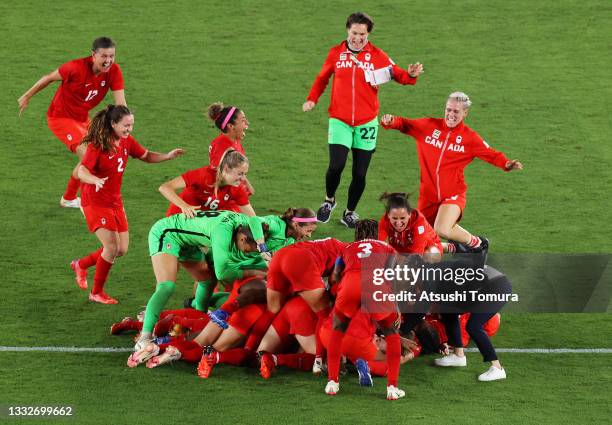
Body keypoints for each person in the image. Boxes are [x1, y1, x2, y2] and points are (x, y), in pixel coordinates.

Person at [303, 12, 424, 228]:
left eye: (362, 34)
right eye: (354, 33)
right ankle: (329, 200)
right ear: (347, 31)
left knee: (360, 173)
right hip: (339, 120)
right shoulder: (335, 53)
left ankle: (349, 212)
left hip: (367, 122)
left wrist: (411, 74)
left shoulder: (377, 55)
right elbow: (322, 78)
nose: (357, 38)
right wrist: (312, 99)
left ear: (368, 34)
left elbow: (399, 75)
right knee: (336, 165)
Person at [70, 104, 183, 304]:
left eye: (131, 125)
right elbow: (81, 171)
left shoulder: (126, 141)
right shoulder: (98, 145)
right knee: (111, 247)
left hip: (114, 200)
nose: (129, 129)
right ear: (113, 124)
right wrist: (94, 180)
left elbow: (146, 155)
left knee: (121, 249)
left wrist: (167, 156)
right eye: (125, 125)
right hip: (95, 200)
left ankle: (81, 264)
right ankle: (96, 292)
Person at [381, 92, 523, 249]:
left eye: (456, 111)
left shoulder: (469, 138)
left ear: (465, 113)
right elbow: (405, 124)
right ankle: (455, 248)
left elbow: (491, 154)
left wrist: (507, 163)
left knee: (442, 229)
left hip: (453, 194)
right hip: (427, 197)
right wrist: (391, 121)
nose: (450, 115)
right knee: (418, 242)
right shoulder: (428, 126)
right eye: (448, 110)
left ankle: (477, 243)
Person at [18, 37, 127, 208]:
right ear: (93, 55)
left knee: (101, 153)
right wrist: (27, 96)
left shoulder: (114, 71)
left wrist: (122, 126)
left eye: (111, 56)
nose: (108, 61)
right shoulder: (75, 68)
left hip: (82, 119)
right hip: (60, 118)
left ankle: (69, 198)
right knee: (88, 155)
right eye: (104, 56)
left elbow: (121, 104)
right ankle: (88, 200)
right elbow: (48, 78)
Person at [325, 219, 405, 400]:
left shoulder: (347, 248)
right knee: (391, 333)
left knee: (337, 331)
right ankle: (392, 388)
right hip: (375, 283)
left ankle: (332, 382)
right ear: (375, 233)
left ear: (357, 233)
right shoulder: (386, 247)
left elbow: (336, 275)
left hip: (351, 283)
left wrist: (341, 293)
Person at [160, 150, 255, 218]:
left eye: (245, 174)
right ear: (226, 169)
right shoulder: (204, 175)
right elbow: (165, 187)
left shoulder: (236, 188)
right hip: (177, 220)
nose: (243, 179)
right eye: (240, 173)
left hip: (197, 227)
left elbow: (253, 218)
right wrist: (184, 206)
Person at [378, 192, 443, 262]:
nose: (398, 223)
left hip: (425, 247)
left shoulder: (419, 223)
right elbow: (379, 246)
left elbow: (416, 256)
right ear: (388, 215)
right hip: (402, 250)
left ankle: (443, 247)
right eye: (394, 218)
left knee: (430, 256)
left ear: (409, 214)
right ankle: (446, 246)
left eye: (402, 218)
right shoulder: (384, 221)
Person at [207, 102, 255, 194]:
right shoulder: (221, 146)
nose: (247, 124)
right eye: (243, 121)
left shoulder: (233, 141)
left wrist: (247, 187)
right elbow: (219, 177)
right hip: (223, 199)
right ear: (231, 126)